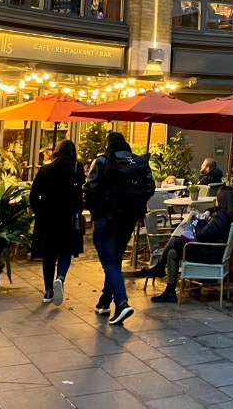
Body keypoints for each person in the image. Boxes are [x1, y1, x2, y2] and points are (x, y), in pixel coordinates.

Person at [84, 131, 154, 326]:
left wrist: (95, 212)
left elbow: (90, 188)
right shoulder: (137, 162)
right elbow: (150, 187)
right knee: (114, 260)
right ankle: (104, 302)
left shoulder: (102, 161)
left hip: (106, 219)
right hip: (129, 220)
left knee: (109, 262)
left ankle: (122, 303)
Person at [138, 185, 233, 303]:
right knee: (172, 253)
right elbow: (214, 209)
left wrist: (200, 220)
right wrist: (207, 212)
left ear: (221, 200)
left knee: (175, 240)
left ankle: (159, 268)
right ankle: (169, 291)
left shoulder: (222, 217)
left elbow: (201, 236)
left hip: (210, 253)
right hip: (214, 250)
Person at [30, 139, 85, 306]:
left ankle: (48, 291)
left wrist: (39, 211)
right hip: (68, 217)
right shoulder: (77, 168)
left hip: (46, 218)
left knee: (49, 255)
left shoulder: (45, 169)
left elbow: (34, 196)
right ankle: (60, 277)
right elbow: (80, 192)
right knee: (65, 252)